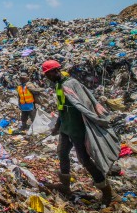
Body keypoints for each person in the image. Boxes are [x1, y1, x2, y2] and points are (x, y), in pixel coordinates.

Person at [41, 60, 116, 205]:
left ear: (55, 71)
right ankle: (65, 185)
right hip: (66, 127)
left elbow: (85, 104)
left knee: (85, 160)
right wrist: (57, 125)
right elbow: (61, 107)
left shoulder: (71, 84)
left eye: (48, 74)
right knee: (62, 153)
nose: (47, 77)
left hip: (77, 128)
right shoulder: (58, 85)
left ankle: (106, 191)